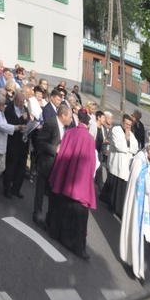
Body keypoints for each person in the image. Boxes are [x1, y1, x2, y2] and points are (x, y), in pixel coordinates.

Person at [47, 111, 98, 260]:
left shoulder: (69, 133)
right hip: (79, 184)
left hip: (65, 180)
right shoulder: (89, 139)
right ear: (87, 124)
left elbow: (62, 154)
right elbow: (91, 164)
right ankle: (76, 245)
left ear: (77, 119)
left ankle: (55, 232)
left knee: (60, 205)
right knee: (78, 215)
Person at [120, 133, 150, 281]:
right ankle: (134, 263)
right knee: (137, 234)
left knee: (149, 238)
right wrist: (148, 177)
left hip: (149, 206)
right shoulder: (139, 159)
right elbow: (136, 180)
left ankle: (147, 267)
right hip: (138, 204)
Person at [33, 104, 74, 229]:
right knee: (40, 191)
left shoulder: (66, 127)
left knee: (52, 193)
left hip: (57, 166)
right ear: (62, 116)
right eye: (70, 117)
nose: (71, 120)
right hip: (46, 163)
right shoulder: (51, 124)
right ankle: (37, 216)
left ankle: (50, 218)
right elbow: (40, 141)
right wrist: (54, 149)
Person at [101, 114, 139, 218]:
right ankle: (111, 206)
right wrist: (128, 145)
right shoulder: (116, 130)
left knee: (121, 189)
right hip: (116, 163)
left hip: (125, 166)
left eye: (129, 125)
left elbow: (135, 148)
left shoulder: (131, 134)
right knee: (114, 186)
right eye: (126, 124)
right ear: (122, 122)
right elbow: (119, 146)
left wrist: (128, 141)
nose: (128, 126)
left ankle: (116, 207)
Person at [3, 90, 30, 199]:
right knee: (10, 166)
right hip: (13, 141)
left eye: (23, 102)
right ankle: (7, 189)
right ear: (15, 100)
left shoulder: (25, 109)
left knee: (21, 168)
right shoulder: (9, 108)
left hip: (23, 141)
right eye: (20, 102)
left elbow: (27, 121)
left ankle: (16, 189)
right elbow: (8, 124)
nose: (22, 104)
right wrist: (20, 120)